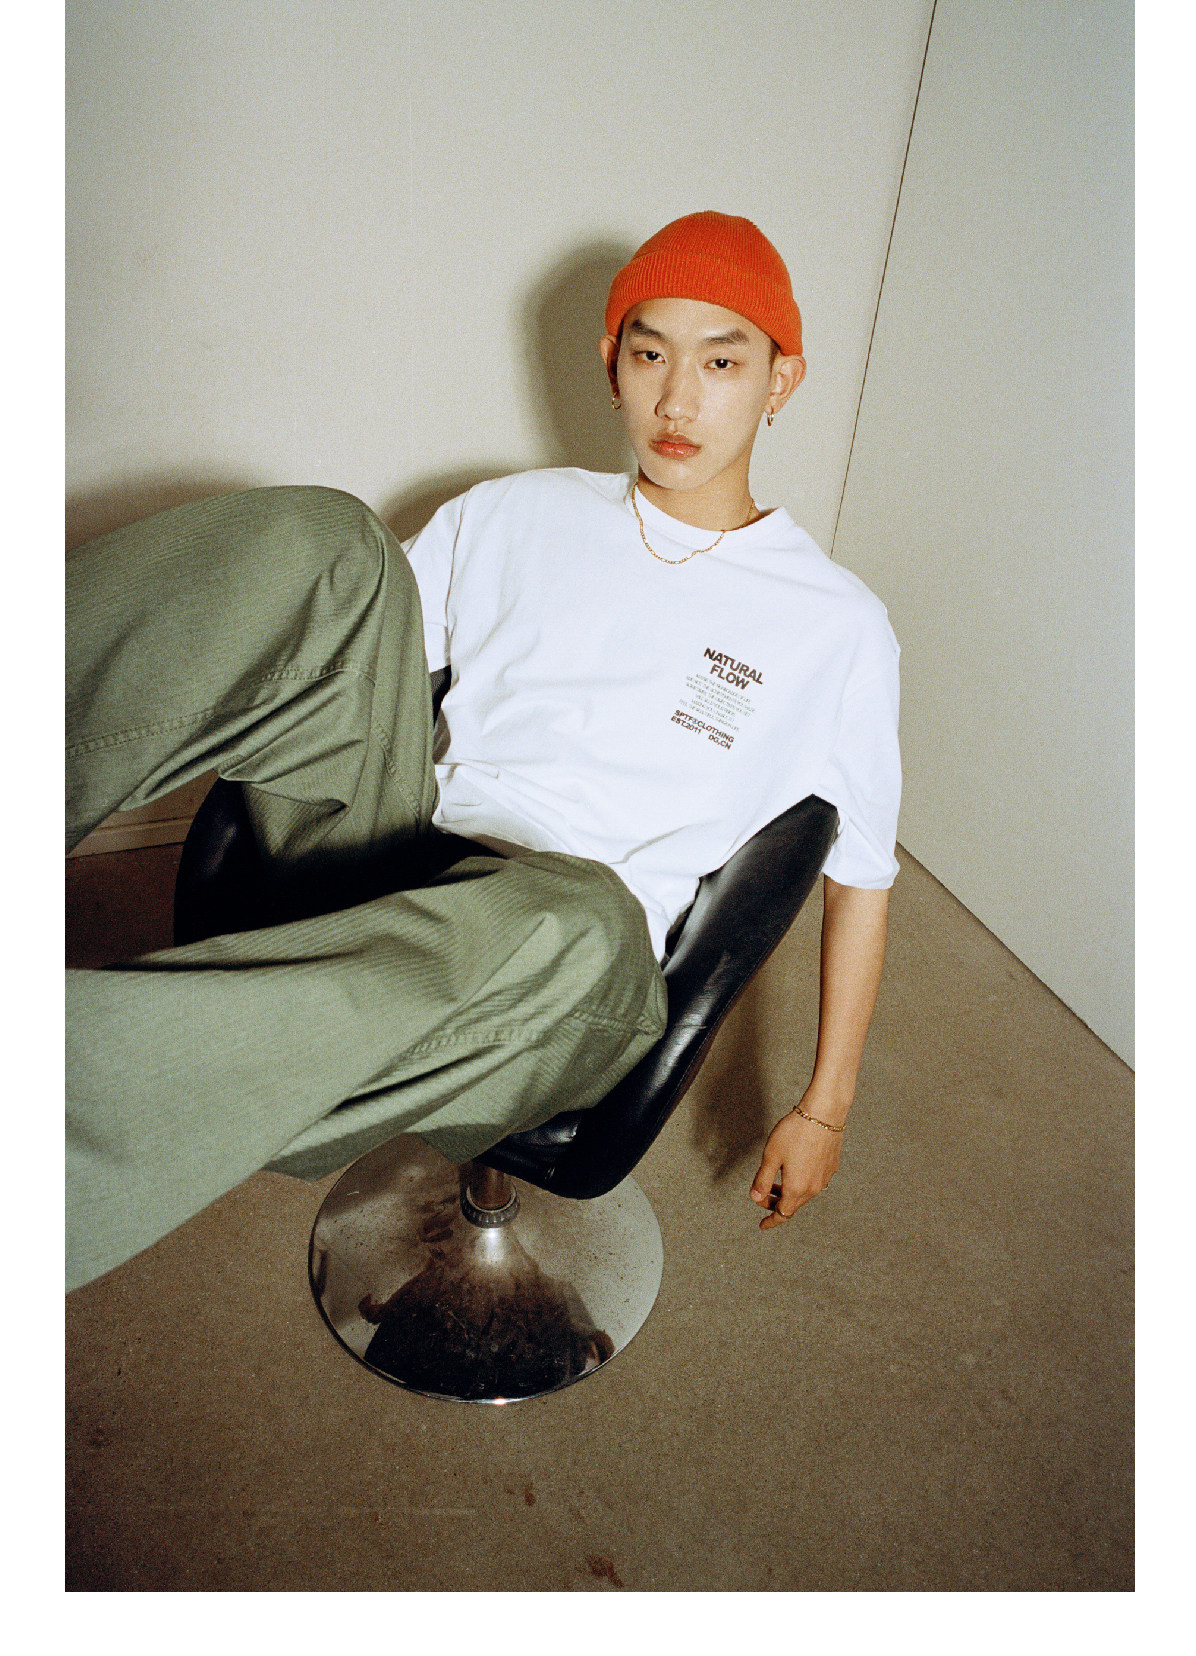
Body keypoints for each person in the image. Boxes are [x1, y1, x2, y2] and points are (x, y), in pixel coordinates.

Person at [65, 211, 899, 1292]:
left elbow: (860, 879)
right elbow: (332, 662)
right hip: (399, 850)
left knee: (573, 913)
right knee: (330, 542)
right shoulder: (511, 512)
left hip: (574, 961)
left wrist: (825, 1106)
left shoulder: (836, 626)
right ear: (610, 363)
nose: (677, 400)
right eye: (650, 355)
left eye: (722, 362)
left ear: (781, 380)